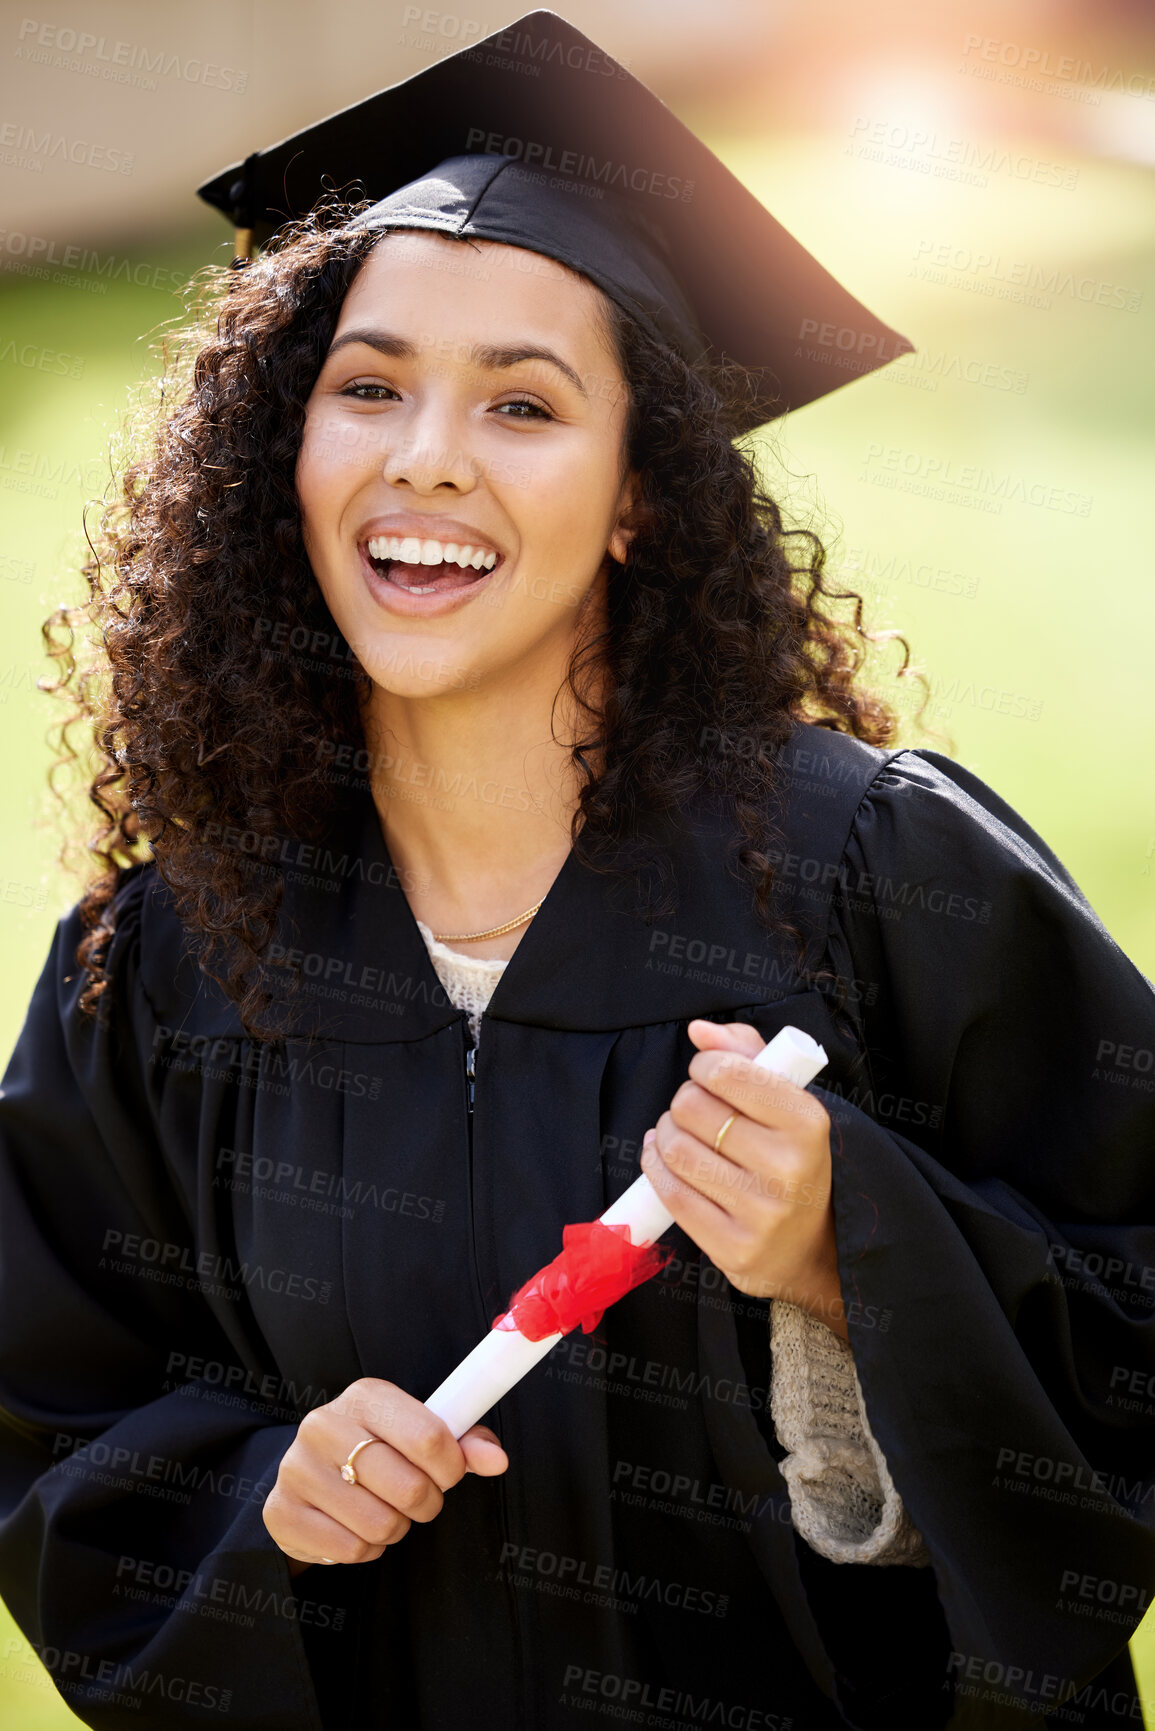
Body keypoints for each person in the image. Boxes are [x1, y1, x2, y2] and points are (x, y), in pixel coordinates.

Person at [1, 11, 1153, 1730]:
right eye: (368, 386)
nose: (426, 457)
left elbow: (1131, 1332)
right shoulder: (172, 960)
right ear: (283, 452)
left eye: (525, 404)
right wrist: (264, 1508)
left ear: (643, 498)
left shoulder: (870, 873)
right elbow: (53, 1423)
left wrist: (859, 1253)